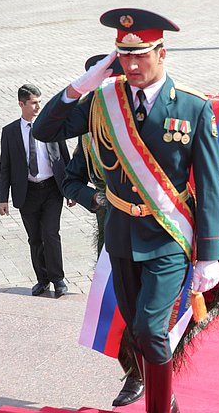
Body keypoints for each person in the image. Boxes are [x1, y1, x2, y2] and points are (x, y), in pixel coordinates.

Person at [33, 9, 219, 412]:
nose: (132, 65)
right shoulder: (104, 101)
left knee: (151, 329)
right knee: (138, 334)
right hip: (121, 234)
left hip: (169, 235)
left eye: (142, 55)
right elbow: (44, 130)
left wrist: (209, 255)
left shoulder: (193, 107)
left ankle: (160, 406)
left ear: (162, 53)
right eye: (124, 56)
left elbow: (208, 187)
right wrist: (83, 84)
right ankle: (164, 396)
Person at [61, 55, 145, 408]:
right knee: (119, 305)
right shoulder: (89, 137)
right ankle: (135, 372)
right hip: (110, 231)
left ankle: (157, 368)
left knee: (152, 306)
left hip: (155, 229)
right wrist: (93, 198)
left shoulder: (147, 119)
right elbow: (70, 180)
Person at [0, 84, 72, 299]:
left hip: (51, 189)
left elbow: (65, 157)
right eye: (33, 102)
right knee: (35, 238)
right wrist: (3, 198)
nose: (38, 106)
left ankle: (58, 279)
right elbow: (5, 167)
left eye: (40, 101)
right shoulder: (10, 132)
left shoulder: (50, 127)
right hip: (27, 192)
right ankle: (42, 280)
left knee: (50, 233)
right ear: (21, 104)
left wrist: (70, 189)